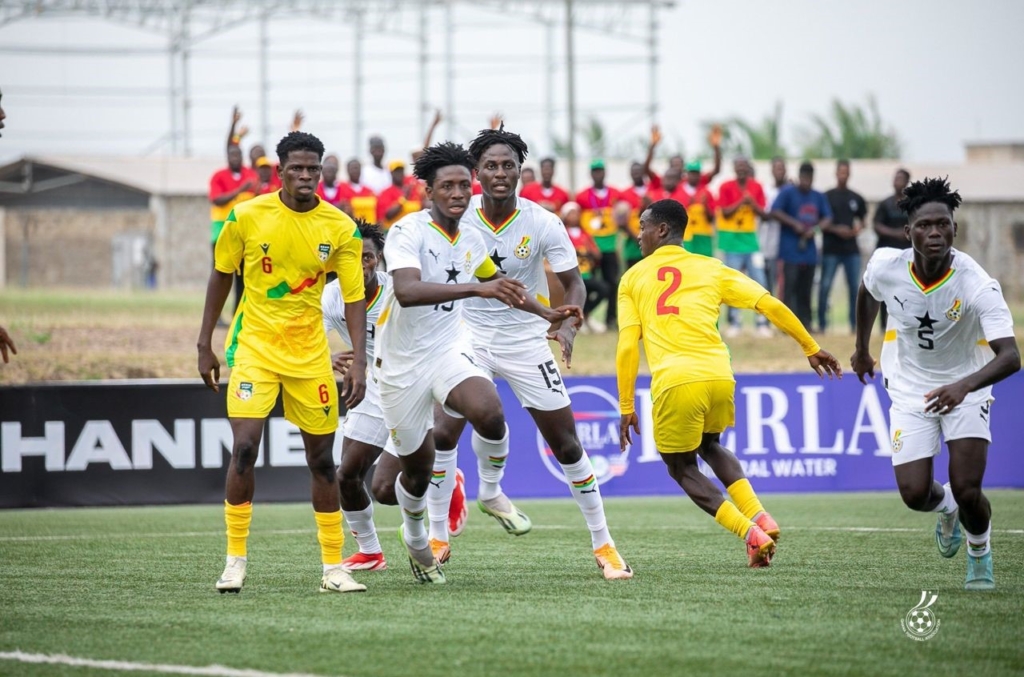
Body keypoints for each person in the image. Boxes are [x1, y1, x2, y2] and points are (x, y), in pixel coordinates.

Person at [421, 127, 632, 579]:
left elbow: (574, 284)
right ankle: (438, 536)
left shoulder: (542, 222)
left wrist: (568, 323)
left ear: (521, 171)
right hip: (466, 336)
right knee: (443, 432)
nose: (500, 173)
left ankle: (604, 545)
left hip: (526, 339)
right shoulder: (456, 215)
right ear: (476, 173)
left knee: (567, 444)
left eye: (508, 165)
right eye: (491, 166)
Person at [372, 141, 580, 583]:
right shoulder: (408, 230)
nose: (458, 193)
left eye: (464, 185)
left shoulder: (469, 237)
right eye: (448, 186)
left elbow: (499, 284)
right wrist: (475, 288)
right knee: (396, 483)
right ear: (429, 191)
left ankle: (488, 491)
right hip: (401, 364)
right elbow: (406, 292)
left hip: (449, 351)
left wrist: (548, 314)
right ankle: (416, 538)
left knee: (488, 411)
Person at [617, 199, 842, 567]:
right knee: (710, 445)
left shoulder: (632, 278)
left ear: (662, 230)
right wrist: (810, 347)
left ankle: (750, 533)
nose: (638, 234)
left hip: (676, 379)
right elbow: (768, 304)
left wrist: (626, 405)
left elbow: (628, 346)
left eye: (643, 226)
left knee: (680, 467)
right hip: (720, 374)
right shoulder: (711, 267)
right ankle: (760, 516)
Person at [197, 131, 368, 595]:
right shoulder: (247, 216)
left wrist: (359, 361)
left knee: (322, 461)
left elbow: (354, 297)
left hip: (310, 356)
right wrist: (204, 342)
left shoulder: (340, 228)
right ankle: (234, 562)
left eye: (313, 168)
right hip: (254, 349)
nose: (306, 176)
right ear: (281, 172)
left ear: (321, 171)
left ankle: (333, 568)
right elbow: (221, 274)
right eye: (297, 168)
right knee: (244, 449)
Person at [850, 177, 1020, 591]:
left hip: (967, 389)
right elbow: (867, 292)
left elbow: (1011, 356)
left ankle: (979, 552)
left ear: (954, 229)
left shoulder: (977, 284)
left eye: (943, 224)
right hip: (910, 388)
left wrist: (963, 387)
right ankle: (946, 511)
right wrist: (861, 350)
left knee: (967, 488)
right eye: (924, 225)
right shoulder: (886, 266)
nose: (935, 233)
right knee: (914, 494)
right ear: (908, 231)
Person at [322, 219, 469, 572]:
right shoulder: (330, 296)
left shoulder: (399, 293)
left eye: (368, 257)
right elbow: (304, 335)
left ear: (379, 260)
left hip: (410, 386)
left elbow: (439, 336)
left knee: (385, 488)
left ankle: (444, 482)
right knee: (346, 475)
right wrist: (327, 358)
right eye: (352, 257)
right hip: (372, 386)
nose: (361, 264)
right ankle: (371, 553)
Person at [771, 161, 832, 329]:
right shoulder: (787, 193)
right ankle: (786, 325)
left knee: (806, 290)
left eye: (809, 179)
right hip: (790, 252)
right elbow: (775, 211)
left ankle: (806, 323)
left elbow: (828, 218)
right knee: (789, 289)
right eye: (803, 178)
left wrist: (815, 230)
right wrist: (794, 224)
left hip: (809, 252)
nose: (806, 182)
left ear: (812, 178)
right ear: (799, 177)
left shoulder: (818, 196)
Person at [716, 157, 770, 337]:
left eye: (744, 166)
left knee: (760, 281)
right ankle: (735, 323)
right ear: (734, 168)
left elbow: (764, 214)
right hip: (731, 243)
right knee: (733, 284)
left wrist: (751, 202)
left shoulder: (757, 186)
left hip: (751, 243)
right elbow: (725, 212)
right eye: (738, 166)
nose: (741, 169)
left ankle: (762, 323)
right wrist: (742, 201)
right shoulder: (725, 187)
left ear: (748, 169)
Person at [208, 143, 257, 314]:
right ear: (227, 157)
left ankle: (238, 313)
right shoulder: (219, 176)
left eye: (238, 155)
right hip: (221, 230)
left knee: (242, 277)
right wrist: (240, 190)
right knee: (220, 274)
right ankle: (217, 315)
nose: (235, 158)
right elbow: (217, 200)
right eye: (232, 155)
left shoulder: (251, 175)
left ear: (242, 157)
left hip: (244, 232)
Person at [820, 160, 867, 333]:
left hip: (851, 250)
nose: (843, 175)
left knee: (855, 288)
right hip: (830, 249)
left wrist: (855, 230)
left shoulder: (856, 197)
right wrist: (836, 229)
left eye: (846, 172)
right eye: (840, 172)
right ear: (836, 173)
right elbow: (820, 222)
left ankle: (855, 325)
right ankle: (822, 324)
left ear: (849, 174)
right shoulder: (826, 196)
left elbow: (863, 221)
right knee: (825, 286)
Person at [576, 160, 622, 327]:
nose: (598, 174)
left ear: (605, 172)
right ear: (591, 174)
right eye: (595, 171)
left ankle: (610, 319)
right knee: (588, 284)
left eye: (600, 170)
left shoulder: (616, 194)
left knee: (612, 284)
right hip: (590, 249)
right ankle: (585, 318)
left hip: (610, 247)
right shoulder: (582, 196)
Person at [873, 168, 912, 333]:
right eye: (895, 178)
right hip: (888, 253)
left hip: (907, 255)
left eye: (900, 178)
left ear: (907, 182)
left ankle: (906, 324)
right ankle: (884, 325)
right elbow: (877, 225)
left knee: (906, 289)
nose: (897, 181)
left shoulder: (912, 204)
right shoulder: (885, 204)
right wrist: (896, 234)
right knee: (885, 288)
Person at [562, 202, 609, 329]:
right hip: (572, 275)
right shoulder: (563, 233)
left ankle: (586, 315)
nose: (575, 216)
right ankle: (578, 319)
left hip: (587, 274)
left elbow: (597, 255)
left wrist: (589, 251)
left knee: (604, 289)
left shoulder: (585, 234)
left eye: (577, 213)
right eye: (571, 213)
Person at [758, 157, 789, 296]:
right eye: (777, 168)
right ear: (771, 170)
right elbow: (764, 214)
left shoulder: (790, 191)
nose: (779, 171)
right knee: (766, 284)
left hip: (783, 245)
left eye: (782, 168)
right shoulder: (766, 190)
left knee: (781, 284)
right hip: (765, 244)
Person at [677, 162, 717, 258]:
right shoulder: (678, 190)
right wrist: (688, 204)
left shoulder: (706, 192)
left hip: (703, 236)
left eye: (696, 173)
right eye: (691, 173)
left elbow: (711, 219)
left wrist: (705, 205)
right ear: (687, 174)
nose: (694, 176)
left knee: (704, 262)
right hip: (685, 236)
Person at [376, 160, 423, 229]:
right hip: (395, 230)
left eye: (401, 171)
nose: (399, 174)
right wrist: (404, 199)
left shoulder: (412, 189)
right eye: (396, 172)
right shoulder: (386, 192)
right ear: (391, 173)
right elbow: (388, 215)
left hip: (414, 229)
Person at [337, 158, 378, 224]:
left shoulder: (369, 191)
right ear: (347, 170)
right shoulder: (341, 188)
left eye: (357, 168)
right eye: (352, 168)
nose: (355, 171)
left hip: (369, 226)